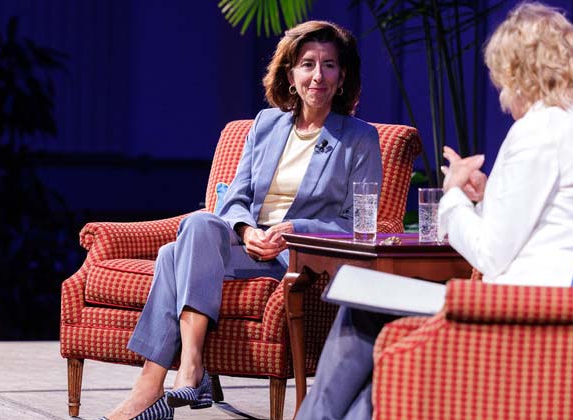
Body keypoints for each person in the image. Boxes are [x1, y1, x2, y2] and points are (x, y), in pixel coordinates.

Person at [296, 3, 573, 419]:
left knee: (362, 302)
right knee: (373, 350)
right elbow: (539, 223)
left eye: (503, 77)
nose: (501, 92)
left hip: (521, 310)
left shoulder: (536, 132)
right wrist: (486, 198)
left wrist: (453, 198)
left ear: (519, 72)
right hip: (550, 299)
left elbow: (490, 255)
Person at [100, 20, 382, 420]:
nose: (318, 75)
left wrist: (294, 231)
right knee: (198, 226)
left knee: (170, 254)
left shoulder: (360, 138)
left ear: (342, 76)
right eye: (307, 64)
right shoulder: (265, 125)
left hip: (296, 258)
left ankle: (153, 388)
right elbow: (235, 198)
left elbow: (359, 224)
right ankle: (190, 366)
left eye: (329, 65)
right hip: (244, 247)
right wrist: (247, 231)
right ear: (290, 74)